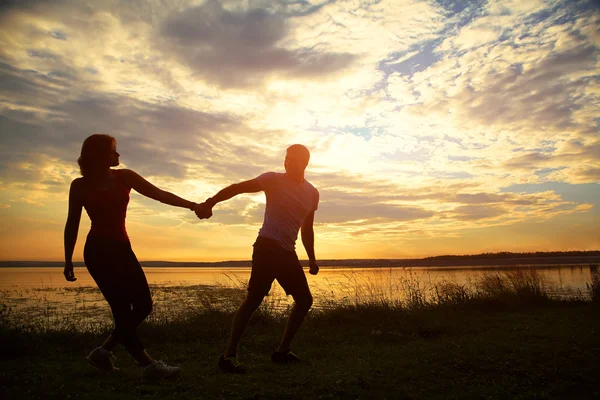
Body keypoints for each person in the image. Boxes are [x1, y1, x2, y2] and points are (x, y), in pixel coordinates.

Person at [63, 134, 201, 381]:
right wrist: (68, 260)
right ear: (100, 155)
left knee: (144, 305)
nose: (118, 155)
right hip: (97, 251)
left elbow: (159, 194)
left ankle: (102, 352)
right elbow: (72, 223)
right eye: (113, 151)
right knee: (121, 309)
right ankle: (147, 366)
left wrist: (193, 205)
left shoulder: (124, 177)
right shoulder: (79, 185)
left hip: (122, 248)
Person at [195, 144, 319, 373]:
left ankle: (282, 352)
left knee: (305, 300)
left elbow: (307, 229)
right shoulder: (272, 180)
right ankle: (228, 356)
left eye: (294, 159)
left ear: (305, 162)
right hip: (267, 247)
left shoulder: (312, 193)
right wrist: (210, 202)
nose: (289, 163)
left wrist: (312, 258)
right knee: (254, 300)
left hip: (287, 252)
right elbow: (237, 188)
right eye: (287, 158)